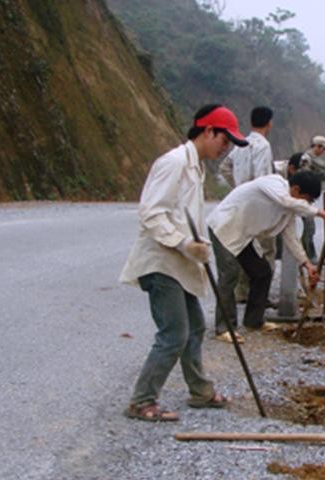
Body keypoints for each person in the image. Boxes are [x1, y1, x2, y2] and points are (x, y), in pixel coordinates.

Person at [119, 104, 248, 421]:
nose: (225, 147)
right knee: (175, 333)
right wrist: (184, 243)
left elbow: (181, 215)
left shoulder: (196, 167)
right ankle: (141, 400)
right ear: (208, 131)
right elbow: (151, 212)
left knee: (195, 328)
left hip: (180, 263)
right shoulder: (175, 162)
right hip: (162, 261)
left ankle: (201, 392)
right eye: (224, 139)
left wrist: (196, 245)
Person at [207, 171, 325, 343]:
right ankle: (224, 327)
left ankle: (254, 321)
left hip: (243, 235)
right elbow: (285, 200)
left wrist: (306, 264)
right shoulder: (274, 184)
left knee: (262, 272)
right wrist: (322, 214)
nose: (306, 205)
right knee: (229, 275)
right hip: (224, 227)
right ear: (296, 190)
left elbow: (291, 237)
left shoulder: (289, 210)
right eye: (307, 200)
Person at [219, 106, 276, 303]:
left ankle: (242, 291)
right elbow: (261, 178)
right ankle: (260, 295)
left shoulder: (241, 143)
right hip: (257, 205)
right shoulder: (263, 146)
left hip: (240, 203)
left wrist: (237, 187)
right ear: (269, 123)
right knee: (266, 250)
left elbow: (224, 167)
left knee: (245, 247)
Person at [287, 135, 325, 263]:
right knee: (309, 226)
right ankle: (309, 256)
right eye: (323, 149)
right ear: (317, 147)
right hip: (299, 196)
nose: (323, 152)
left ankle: (305, 254)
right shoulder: (307, 158)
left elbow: (320, 176)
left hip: (302, 196)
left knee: (309, 227)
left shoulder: (312, 162)